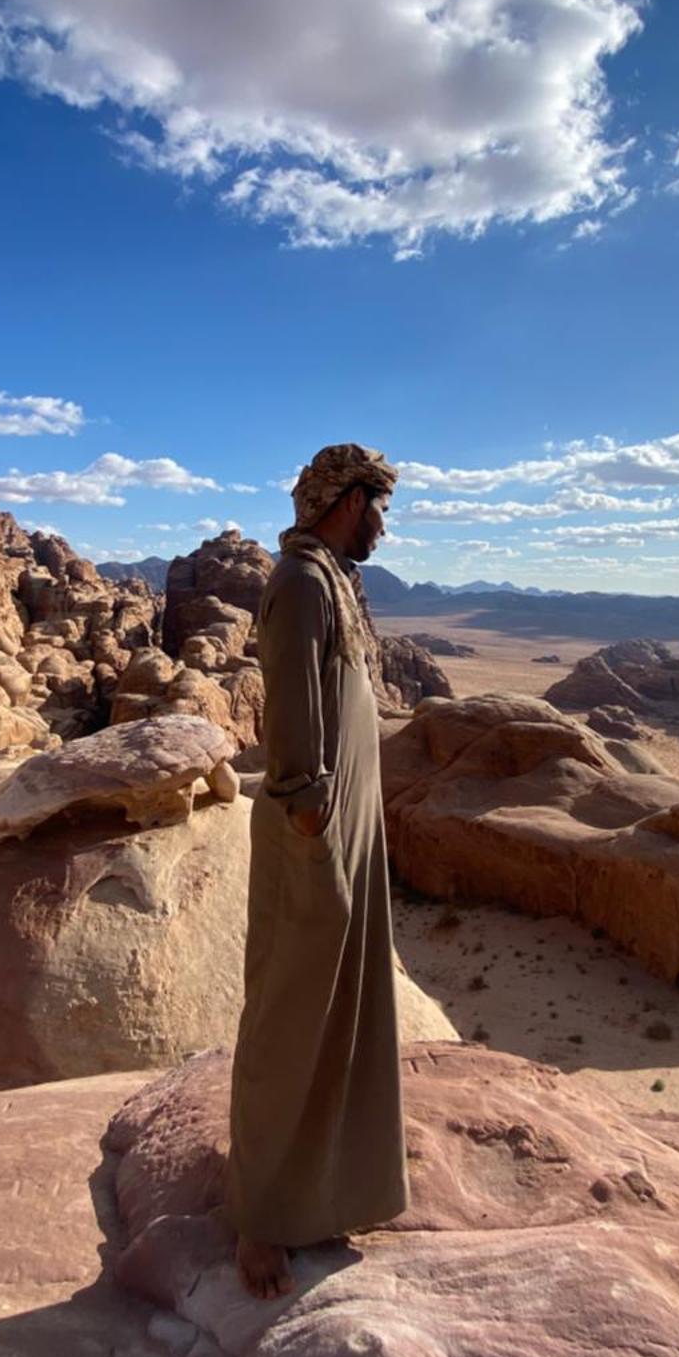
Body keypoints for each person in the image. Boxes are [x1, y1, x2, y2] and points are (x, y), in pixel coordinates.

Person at [225, 442, 409, 1300]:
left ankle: (324, 1193)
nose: (383, 522)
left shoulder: (334, 577)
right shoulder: (300, 585)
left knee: (342, 1017)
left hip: (348, 833)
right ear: (344, 501)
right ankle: (263, 1218)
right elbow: (295, 712)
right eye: (377, 505)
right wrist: (311, 825)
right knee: (292, 1018)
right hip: (318, 838)